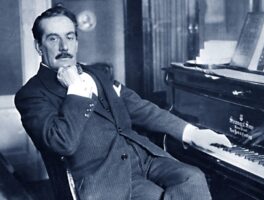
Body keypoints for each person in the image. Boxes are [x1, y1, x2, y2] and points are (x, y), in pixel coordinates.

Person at [14, 5, 231, 200]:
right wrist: (76, 91)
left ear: (77, 42)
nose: (64, 46)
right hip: (103, 178)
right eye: (53, 38)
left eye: (70, 37)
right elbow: (62, 142)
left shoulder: (97, 74)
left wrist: (193, 134)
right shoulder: (31, 95)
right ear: (38, 46)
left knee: (192, 177)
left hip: (143, 158)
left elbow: (139, 107)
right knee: (156, 196)